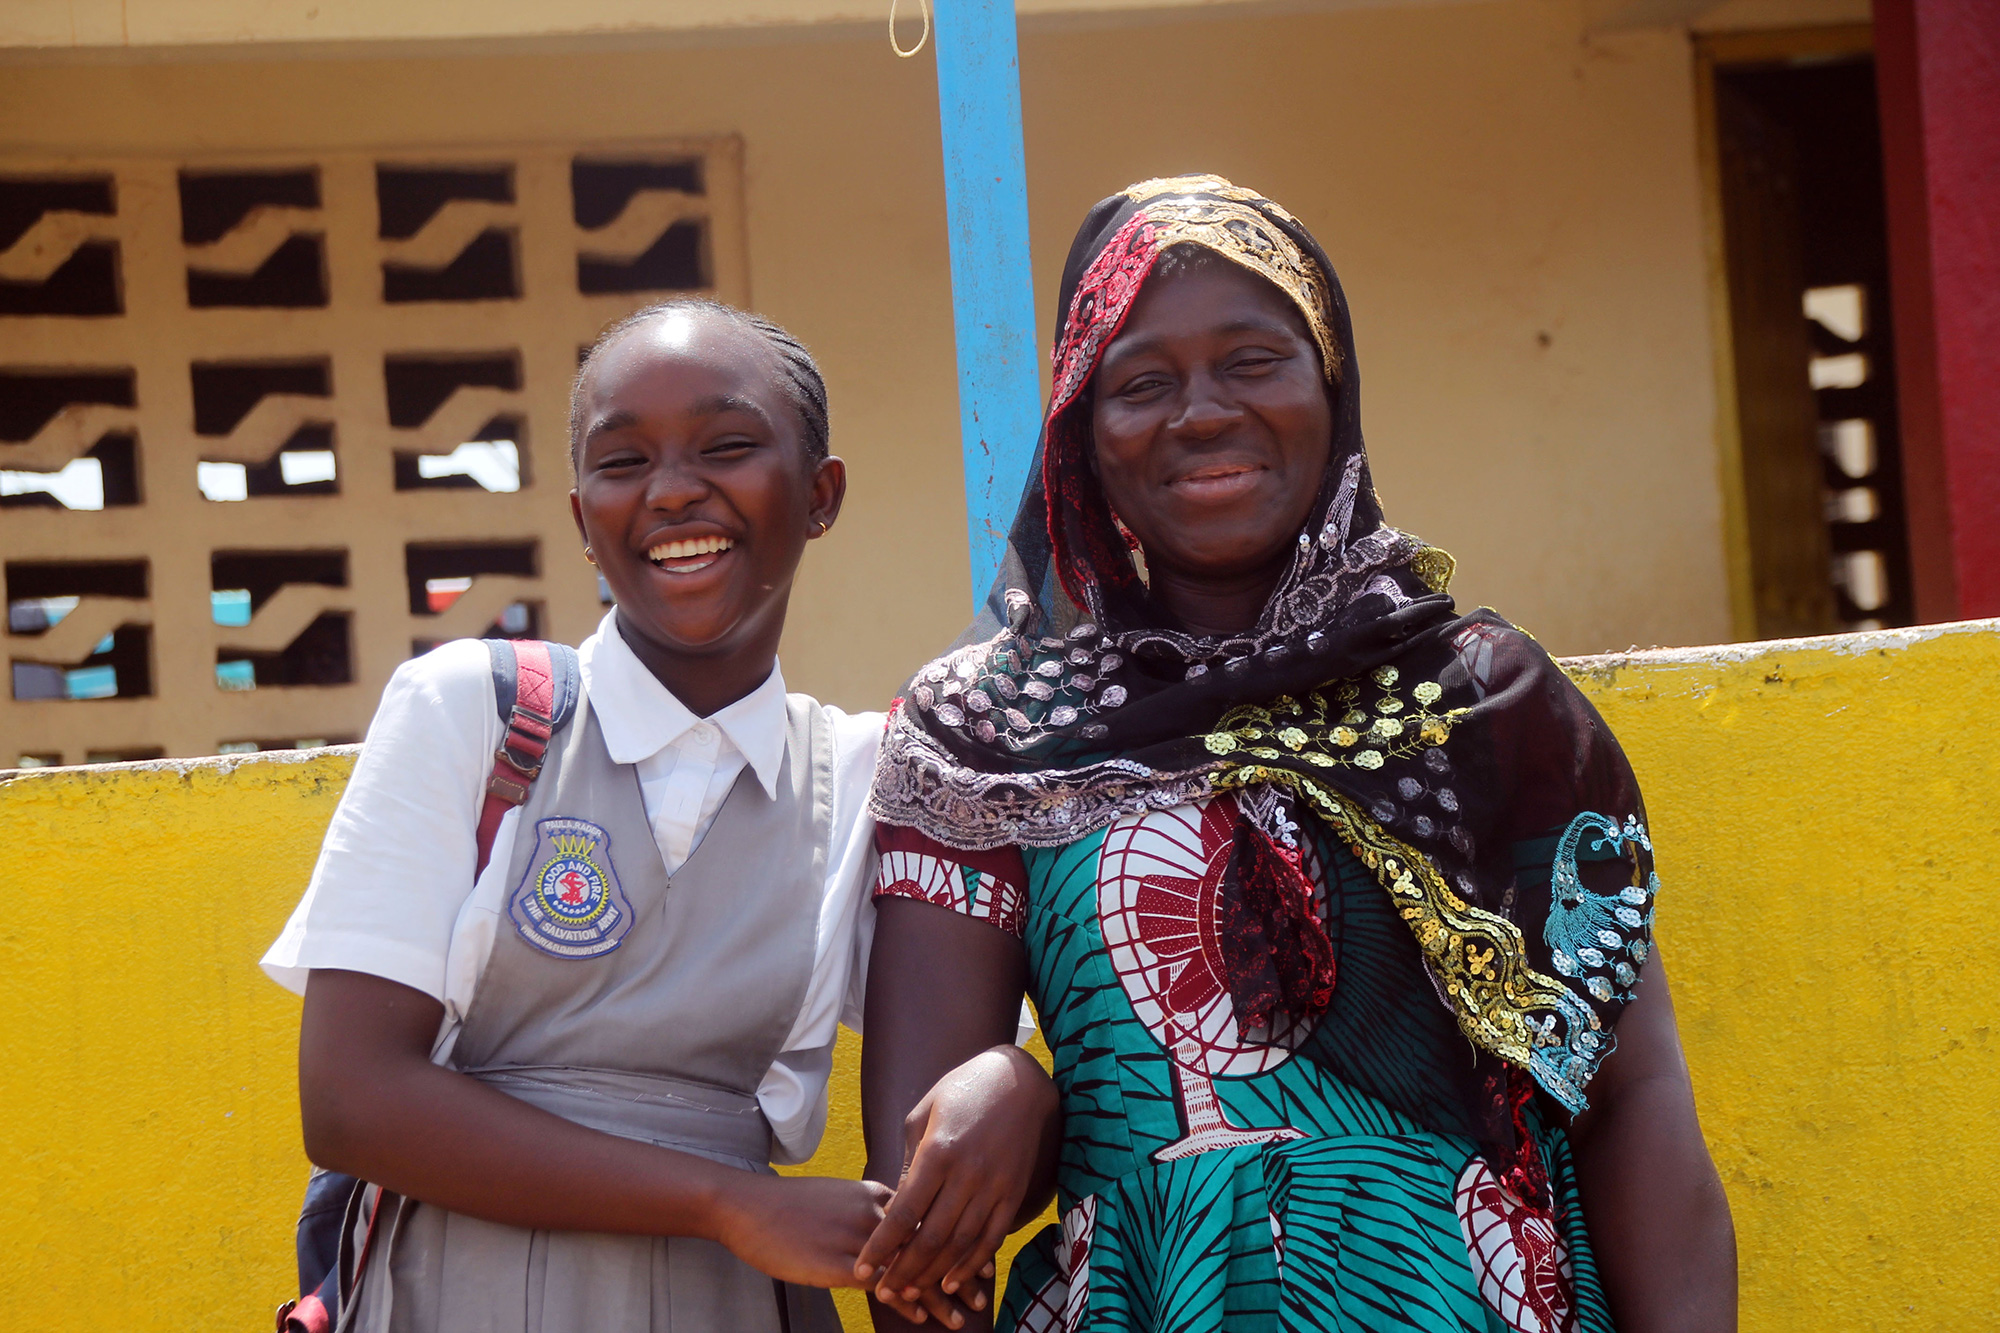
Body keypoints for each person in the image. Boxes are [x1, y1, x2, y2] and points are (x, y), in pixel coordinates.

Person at [858, 176, 1737, 1333]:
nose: (1201, 412)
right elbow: (919, 1208)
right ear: (1080, 433)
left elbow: (1630, 1097)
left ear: (1332, 384)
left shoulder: (1476, 696)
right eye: (1139, 382)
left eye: (1253, 360)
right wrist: (1020, 1085)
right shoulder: (987, 734)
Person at [264, 298, 904, 1332]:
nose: (672, 490)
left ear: (820, 494)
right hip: (460, 1295)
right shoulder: (474, 711)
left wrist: (1013, 1086)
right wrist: (727, 1201)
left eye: (727, 445)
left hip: (732, 1306)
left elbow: (946, 1072)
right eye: (622, 462)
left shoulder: (859, 779)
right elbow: (351, 1102)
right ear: (580, 519)